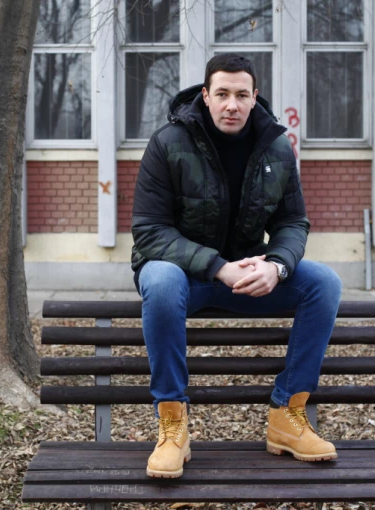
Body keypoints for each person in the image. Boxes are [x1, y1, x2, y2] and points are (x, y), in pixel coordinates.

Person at [131, 54, 342, 479]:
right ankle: (172, 426)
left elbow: (292, 222)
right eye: (223, 94)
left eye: (242, 95)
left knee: (323, 282)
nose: (232, 104)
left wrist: (277, 266)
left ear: (254, 97)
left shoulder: (276, 147)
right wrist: (217, 267)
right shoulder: (168, 142)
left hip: (247, 275)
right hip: (184, 277)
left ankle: (287, 415)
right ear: (206, 96)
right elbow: (150, 231)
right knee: (160, 278)